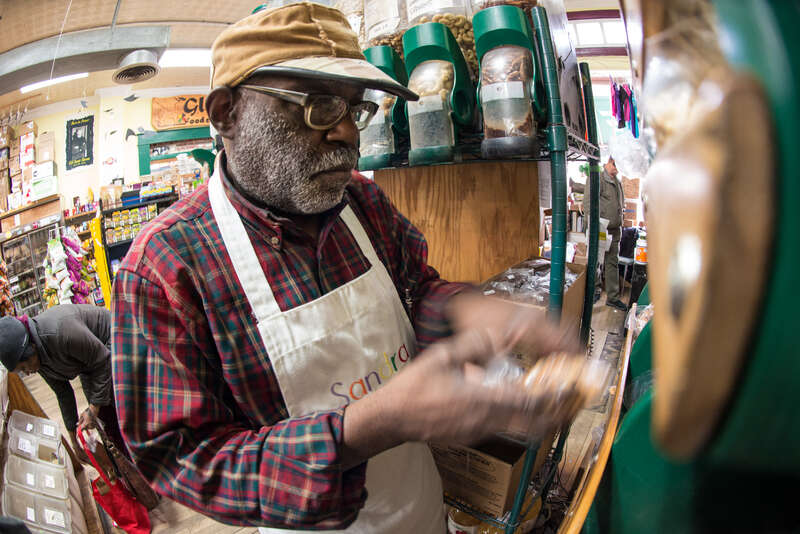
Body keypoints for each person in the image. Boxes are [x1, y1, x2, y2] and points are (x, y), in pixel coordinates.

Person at [111, 4, 577, 533]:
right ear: (226, 114)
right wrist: (364, 428)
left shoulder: (360, 201)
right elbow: (182, 458)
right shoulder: (164, 268)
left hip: (420, 510)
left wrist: (470, 311)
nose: (347, 137)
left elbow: (412, 289)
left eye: (355, 110)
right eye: (318, 106)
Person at [0, 305, 126, 462]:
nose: (27, 372)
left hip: (114, 339)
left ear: (31, 348)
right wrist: (74, 442)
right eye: (21, 370)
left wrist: (93, 408)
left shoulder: (61, 331)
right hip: (90, 364)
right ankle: (127, 468)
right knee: (105, 422)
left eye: (25, 367)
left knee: (120, 408)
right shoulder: (38, 359)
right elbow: (63, 392)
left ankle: (145, 462)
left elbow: (103, 359)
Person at [577, 157, 625, 310]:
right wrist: (591, 228)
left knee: (612, 263)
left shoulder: (617, 181)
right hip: (600, 228)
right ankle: (593, 291)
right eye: (615, 165)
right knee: (595, 262)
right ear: (608, 161)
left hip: (614, 229)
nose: (617, 169)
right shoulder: (597, 178)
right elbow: (588, 203)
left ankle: (613, 297)